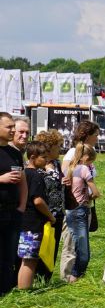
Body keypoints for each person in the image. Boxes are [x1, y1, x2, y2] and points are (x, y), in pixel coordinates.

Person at [16, 142, 55, 290]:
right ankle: (25, 291)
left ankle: (22, 288)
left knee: (25, 259)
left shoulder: (23, 172)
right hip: (33, 223)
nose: (46, 160)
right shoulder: (36, 176)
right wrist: (51, 216)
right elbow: (38, 201)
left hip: (22, 220)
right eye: (43, 157)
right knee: (30, 260)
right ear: (33, 157)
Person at [62, 143, 99, 282]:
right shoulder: (83, 168)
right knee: (84, 252)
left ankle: (71, 276)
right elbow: (95, 192)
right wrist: (89, 196)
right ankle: (74, 277)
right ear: (85, 157)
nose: (90, 164)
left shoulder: (68, 168)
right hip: (81, 209)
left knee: (74, 245)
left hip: (70, 210)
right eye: (90, 161)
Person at [0, 112, 26, 294]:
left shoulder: (14, 153)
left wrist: (22, 206)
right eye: (8, 127)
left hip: (13, 211)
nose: (12, 130)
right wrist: (1, 179)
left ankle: (6, 290)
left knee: (10, 254)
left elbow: (23, 181)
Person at [33, 130, 64, 282]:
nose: (61, 149)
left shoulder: (57, 163)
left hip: (58, 212)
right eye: (58, 146)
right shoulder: (39, 166)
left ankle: (46, 279)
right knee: (42, 247)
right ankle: (38, 279)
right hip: (45, 213)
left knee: (53, 246)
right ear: (50, 147)